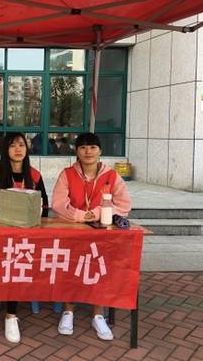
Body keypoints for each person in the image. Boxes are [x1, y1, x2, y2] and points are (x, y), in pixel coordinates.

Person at [52, 132, 132, 341]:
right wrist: (79, 216)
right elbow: (58, 204)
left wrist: (97, 213)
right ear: (77, 152)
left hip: (102, 233)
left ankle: (98, 314)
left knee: (100, 269)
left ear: (100, 151)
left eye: (93, 147)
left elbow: (124, 205)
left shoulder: (112, 176)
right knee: (70, 268)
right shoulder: (67, 174)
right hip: (72, 231)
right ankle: (68, 311)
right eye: (83, 147)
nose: (88, 151)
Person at [0, 132, 49, 343]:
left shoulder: (35, 175)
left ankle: (12, 313)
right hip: (3, 236)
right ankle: (11, 316)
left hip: (30, 237)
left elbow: (44, 208)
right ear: (5, 150)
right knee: (11, 259)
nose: (18, 149)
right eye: (13, 145)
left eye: (22, 144)